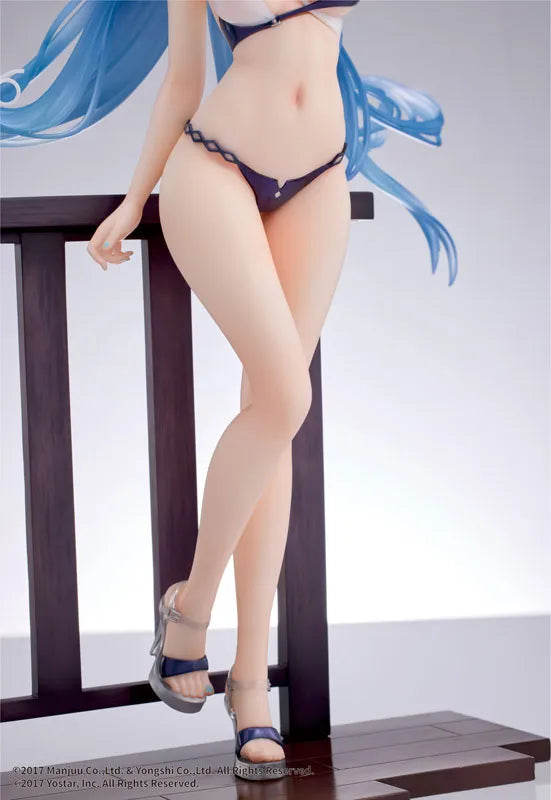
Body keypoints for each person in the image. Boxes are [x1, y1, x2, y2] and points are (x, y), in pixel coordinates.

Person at [0, 0, 458, 782]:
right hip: (215, 168)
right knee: (284, 398)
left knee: (273, 413)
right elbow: (184, 77)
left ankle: (246, 680)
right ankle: (192, 608)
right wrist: (132, 199)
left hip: (319, 180)